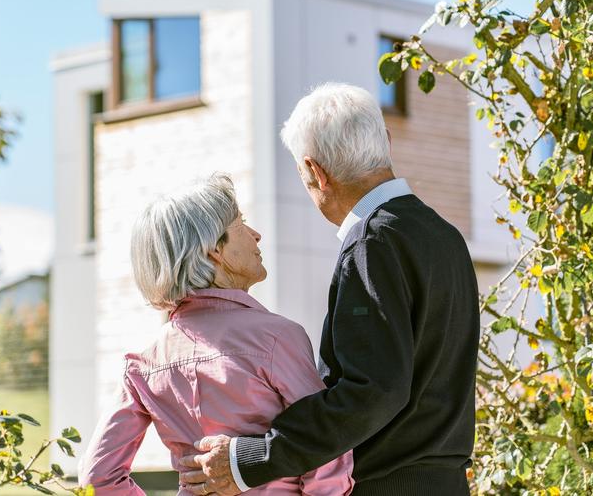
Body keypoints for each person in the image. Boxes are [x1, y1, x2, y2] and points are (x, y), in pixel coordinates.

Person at [179, 83, 480, 495]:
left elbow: (373, 391)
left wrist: (251, 459)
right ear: (385, 143)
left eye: (304, 179)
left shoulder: (372, 241)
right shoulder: (444, 235)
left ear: (317, 173)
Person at [78, 174, 354, 495]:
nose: (256, 235)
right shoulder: (277, 338)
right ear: (214, 251)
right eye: (242, 224)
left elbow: (97, 478)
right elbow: (325, 446)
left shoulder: (143, 363)